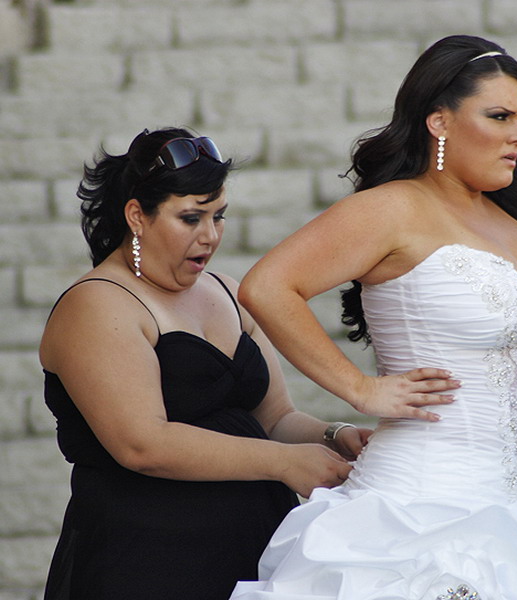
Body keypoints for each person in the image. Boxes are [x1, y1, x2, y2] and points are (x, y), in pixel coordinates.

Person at [230, 36, 517, 600]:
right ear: (439, 121)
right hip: (418, 515)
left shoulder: (511, 216)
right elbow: (267, 287)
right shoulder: (393, 208)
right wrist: (359, 387)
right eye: (499, 116)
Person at [39, 127, 393, 600]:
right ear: (137, 216)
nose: (210, 236)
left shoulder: (226, 290)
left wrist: (334, 436)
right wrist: (284, 463)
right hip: (149, 560)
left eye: (218, 216)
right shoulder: (98, 304)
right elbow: (142, 444)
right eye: (191, 218)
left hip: (256, 546)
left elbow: (275, 419)